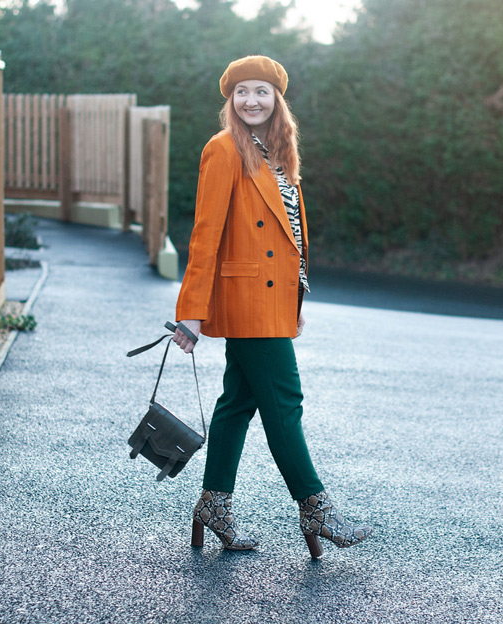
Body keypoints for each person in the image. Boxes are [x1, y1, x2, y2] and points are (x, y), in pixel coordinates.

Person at [172, 55, 372, 555]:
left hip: (272, 299)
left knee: (238, 403)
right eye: (242, 92)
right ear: (230, 101)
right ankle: (316, 510)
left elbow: (293, 237)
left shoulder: (278, 152)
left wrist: (295, 299)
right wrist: (190, 311)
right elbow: (205, 235)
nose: (251, 100)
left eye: (261, 91)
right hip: (244, 299)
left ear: (276, 99)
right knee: (285, 402)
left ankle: (213, 505)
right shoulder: (223, 149)